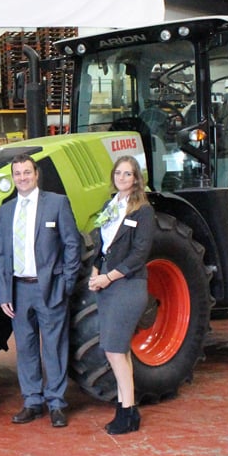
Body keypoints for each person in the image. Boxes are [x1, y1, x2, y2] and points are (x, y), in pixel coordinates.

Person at [0, 154, 82, 427]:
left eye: (26, 172)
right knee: (26, 348)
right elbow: (0, 255)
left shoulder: (56, 204)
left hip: (50, 288)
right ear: (13, 177)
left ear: (36, 175)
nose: (22, 177)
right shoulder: (6, 211)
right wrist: (3, 293)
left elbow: (72, 245)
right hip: (19, 290)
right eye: (17, 173)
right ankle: (32, 401)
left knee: (54, 347)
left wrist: (67, 284)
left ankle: (56, 403)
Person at [88, 155, 155, 435]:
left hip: (127, 285)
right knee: (118, 350)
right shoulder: (110, 205)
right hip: (107, 284)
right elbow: (100, 244)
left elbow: (140, 254)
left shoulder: (143, 211)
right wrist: (94, 271)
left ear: (136, 179)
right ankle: (127, 409)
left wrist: (108, 277)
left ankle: (126, 411)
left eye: (128, 174)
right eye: (119, 173)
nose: (123, 178)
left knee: (114, 350)